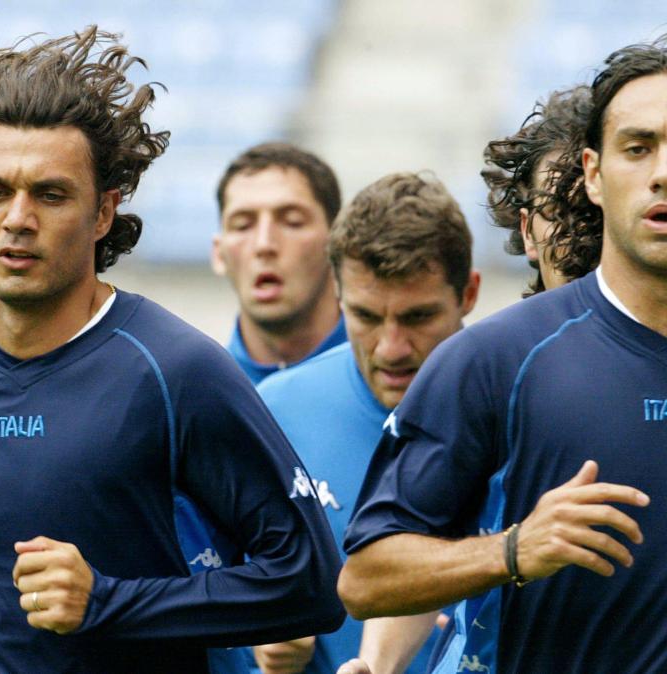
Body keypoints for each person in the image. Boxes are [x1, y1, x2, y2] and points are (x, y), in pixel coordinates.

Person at [0, 28, 345, 674]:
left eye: (50, 194)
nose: (18, 218)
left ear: (103, 212)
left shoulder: (175, 370)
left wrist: (109, 602)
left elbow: (309, 579)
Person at [338, 36, 667, 673]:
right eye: (638, 147)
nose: (662, 172)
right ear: (594, 177)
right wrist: (514, 550)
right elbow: (366, 578)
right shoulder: (499, 359)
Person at [252, 173, 479, 674]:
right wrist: (266, 649)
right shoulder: (276, 412)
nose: (391, 348)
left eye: (418, 317)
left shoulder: (519, 406)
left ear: (469, 293)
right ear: (337, 294)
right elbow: (236, 588)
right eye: (367, 316)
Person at [212, 142, 346, 384]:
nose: (264, 244)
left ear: (338, 243)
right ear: (219, 254)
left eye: (292, 221)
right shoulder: (197, 393)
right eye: (243, 225)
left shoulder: (395, 377)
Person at [483, 86, 596, 294]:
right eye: (558, 213)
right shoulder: (504, 328)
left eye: (593, 212)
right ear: (527, 232)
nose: (580, 234)